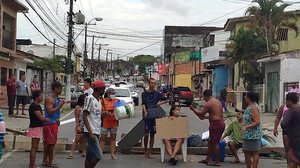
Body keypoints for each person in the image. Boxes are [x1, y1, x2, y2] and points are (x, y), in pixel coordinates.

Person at [190, 89, 225, 166]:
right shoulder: (217, 101)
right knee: (210, 141)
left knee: (214, 143)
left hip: (216, 124)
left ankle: (217, 161)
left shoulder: (208, 104)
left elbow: (201, 113)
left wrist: (193, 109)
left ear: (205, 96)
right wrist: (206, 117)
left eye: (203, 97)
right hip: (220, 123)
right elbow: (215, 114)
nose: (203, 99)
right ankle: (208, 159)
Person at [142, 78, 168, 159]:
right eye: (152, 83)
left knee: (152, 134)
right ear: (148, 84)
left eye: (154, 83)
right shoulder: (144, 94)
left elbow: (166, 99)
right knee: (146, 134)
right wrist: (145, 111)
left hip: (155, 114)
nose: (153, 85)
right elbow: (143, 104)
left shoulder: (157, 94)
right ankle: (145, 150)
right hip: (147, 114)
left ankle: (150, 152)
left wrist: (158, 104)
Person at [83, 80, 106, 168]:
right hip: (91, 131)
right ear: (99, 89)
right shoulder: (90, 99)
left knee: (90, 156)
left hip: (96, 130)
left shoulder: (99, 101)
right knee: (98, 155)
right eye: (103, 89)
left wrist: (103, 114)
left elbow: (96, 115)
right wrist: (90, 132)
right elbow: (85, 116)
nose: (104, 91)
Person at [42, 82, 65, 168]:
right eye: (60, 88)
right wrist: (60, 105)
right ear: (55, 88)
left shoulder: (56, 98)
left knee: (48, 142)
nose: (61, 90)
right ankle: (51, 161)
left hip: (53, 122)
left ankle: (45, 160)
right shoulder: (50, 99)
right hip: (50, 123)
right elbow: (49, 111)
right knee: (51, 143)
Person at [27, 91, 50, 168]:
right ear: (36, 97)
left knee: (34, 147)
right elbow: (40, 117)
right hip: (35, 127)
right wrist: (47, 119)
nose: (42, 97)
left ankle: (31, 165)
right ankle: (32, 165)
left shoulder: (38, 106)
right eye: (41, 96)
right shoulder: (34, 106)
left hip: (38, 127)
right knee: (34, 147)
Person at [242, 92, 262, 168]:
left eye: (246, 96)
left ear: (249, 97)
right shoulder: (249, 106)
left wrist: (246, 127)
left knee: (255, 153)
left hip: (254, 134)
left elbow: (257, 121)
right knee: (246, 151)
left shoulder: (254, 108)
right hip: (248, 134)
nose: (244, 97)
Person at [281, 93, 300, 168]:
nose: (285, 102)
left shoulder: (291, 111)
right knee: (295, 161)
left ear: (289, 101)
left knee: (296, 160)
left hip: (295, 141)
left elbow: (283, 124)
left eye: (286, 100)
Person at [100, 88, 118, 160]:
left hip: (114, 122)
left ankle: (112, 154)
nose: (113, 95)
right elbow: (99, 112)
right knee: (103, 139)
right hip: (105, 122)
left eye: (114, 94)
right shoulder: (102, 101)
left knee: (113, 139)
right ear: (108, 93)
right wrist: (105, 112)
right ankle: (100, 153)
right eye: (111, 94)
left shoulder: (116, 100)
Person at [68, 94, 87, 159]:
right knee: (77, 139)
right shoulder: (78, 107)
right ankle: (71, 152)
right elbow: (76, 117)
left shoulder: (86, 106)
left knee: (84, 139)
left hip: (86, 124)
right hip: (80, 123)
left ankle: (84, 151)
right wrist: (77, 125)